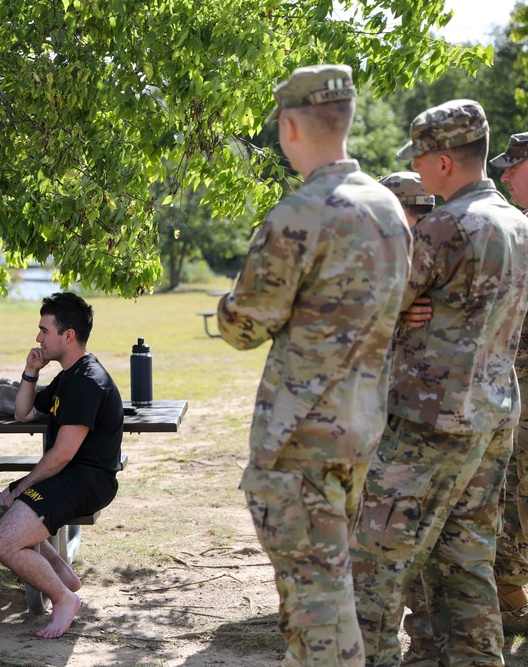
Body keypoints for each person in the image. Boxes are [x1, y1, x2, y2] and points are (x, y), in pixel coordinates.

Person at [216, 64, 412, 666]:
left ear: (290, 126)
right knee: (324, 594)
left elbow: (244, 327)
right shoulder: (389, 208)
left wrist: (226, 305)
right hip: (359, 432)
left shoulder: (300, 213)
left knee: (317, 607)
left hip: (299, 441)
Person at [350, 101, 528, 667]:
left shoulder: (447, 226)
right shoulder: (519, 224)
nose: (419, 171)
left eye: (422, 159)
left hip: (432, 422)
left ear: (445, 161)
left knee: (372, 567)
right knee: (466, 561)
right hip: (494, 417)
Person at [0, 292, 123, 640]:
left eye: (44, 330)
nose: (38, 338)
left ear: (68, 335)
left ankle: (63, 598)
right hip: (68, 475)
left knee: (4, 542)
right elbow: (23, 412)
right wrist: (30, 372)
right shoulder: (68, 376)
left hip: (86, 480)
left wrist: (22, 486)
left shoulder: (86, 381)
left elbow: (63, 454)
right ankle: (60, 570)